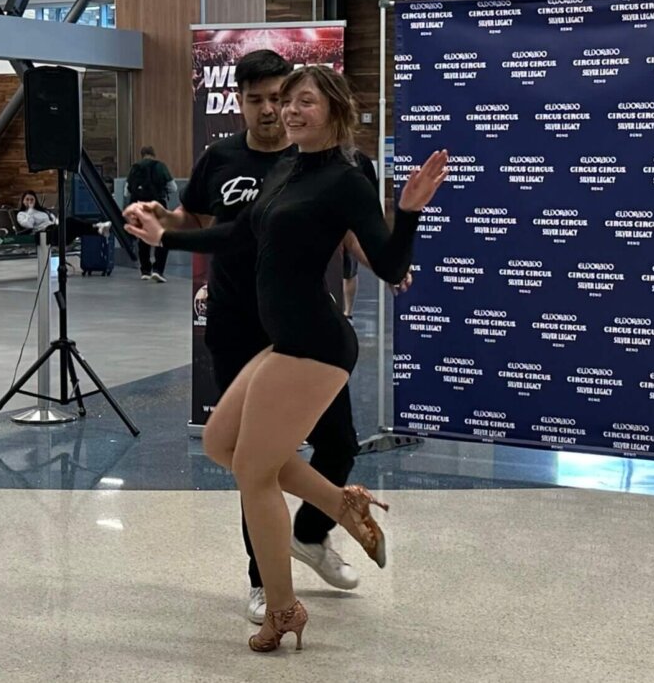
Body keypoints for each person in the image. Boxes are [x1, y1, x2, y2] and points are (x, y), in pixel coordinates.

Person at [126, 65, 448, 653]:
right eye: (284, 101)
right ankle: (338, 501)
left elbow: (393, 266)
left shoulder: (347, 179)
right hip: (286, 341)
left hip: (318, 344)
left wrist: (409, 210)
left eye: (304, 102)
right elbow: (235, 235)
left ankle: (282, 608)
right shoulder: (284, 169)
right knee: (222, 444)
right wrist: (163, 239)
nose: (289, 110)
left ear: (334, 112)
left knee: (254, 470)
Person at [125, 50, 364, 626]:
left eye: (278, 97)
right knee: (253, 460)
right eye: (254, 99)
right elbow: (197, 223)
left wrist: (381, 257)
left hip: (305, 325)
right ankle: (262, 578)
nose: (268, 110)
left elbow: (352, 224)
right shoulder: (219, 158)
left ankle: (310, 535)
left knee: (340, 443)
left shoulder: (311, 159)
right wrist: (162, 219)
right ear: (239, 101)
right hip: (237, 325)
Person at [126, 146, 177, 283]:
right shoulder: (160, 166)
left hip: (140, 207)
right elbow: (173, 188)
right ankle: (158, 270)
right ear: (153, 154)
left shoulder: (135, 168)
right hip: (157, 206)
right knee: (162, 237)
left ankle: (145, 271)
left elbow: (127, 191)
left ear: (142, 155)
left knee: (143, 238)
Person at [342, 149, 378, 323]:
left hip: (351, 225)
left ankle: (347, 312)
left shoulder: (361, 160)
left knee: (349, 270)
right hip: (322, 224)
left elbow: (372, 195)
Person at [16, 190, 111, 242]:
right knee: (70, 222)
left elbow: (53, 221)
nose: (29, 202)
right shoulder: (22, 214)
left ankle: (99, 230)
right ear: (23, 201)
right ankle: (97, 227)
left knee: (75, 229)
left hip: (55, 230)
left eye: (32, 199)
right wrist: (30, 210)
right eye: (27, 199)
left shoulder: (43, 211)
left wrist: (57, 220)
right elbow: (29, 225)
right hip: (45, 234)